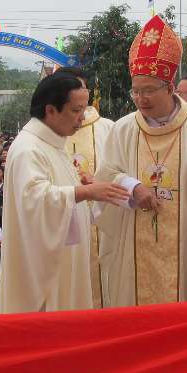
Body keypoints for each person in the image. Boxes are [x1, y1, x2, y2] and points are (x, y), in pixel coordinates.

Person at [95, 15, 187, 306]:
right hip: (134, 241)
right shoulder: (123, 129)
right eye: (135, 90)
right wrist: (133, 187)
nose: (140, 98)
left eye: (149, 90)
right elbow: (106, 176)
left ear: (170, 86)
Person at [0, 72, 128, 312]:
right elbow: (35, 199)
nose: (82, 119)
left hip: (65, 261)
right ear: (50, 110)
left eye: (84, 109)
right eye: (75, 111)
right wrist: (85, 193)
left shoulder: (53, 143)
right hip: (45, 273)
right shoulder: (29, 149)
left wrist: (84, 188)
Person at [60, 71, 115, 308]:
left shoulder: (110, 129)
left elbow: (121, 172)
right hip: (61, 224)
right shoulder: (48, 132)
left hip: (100, 224)